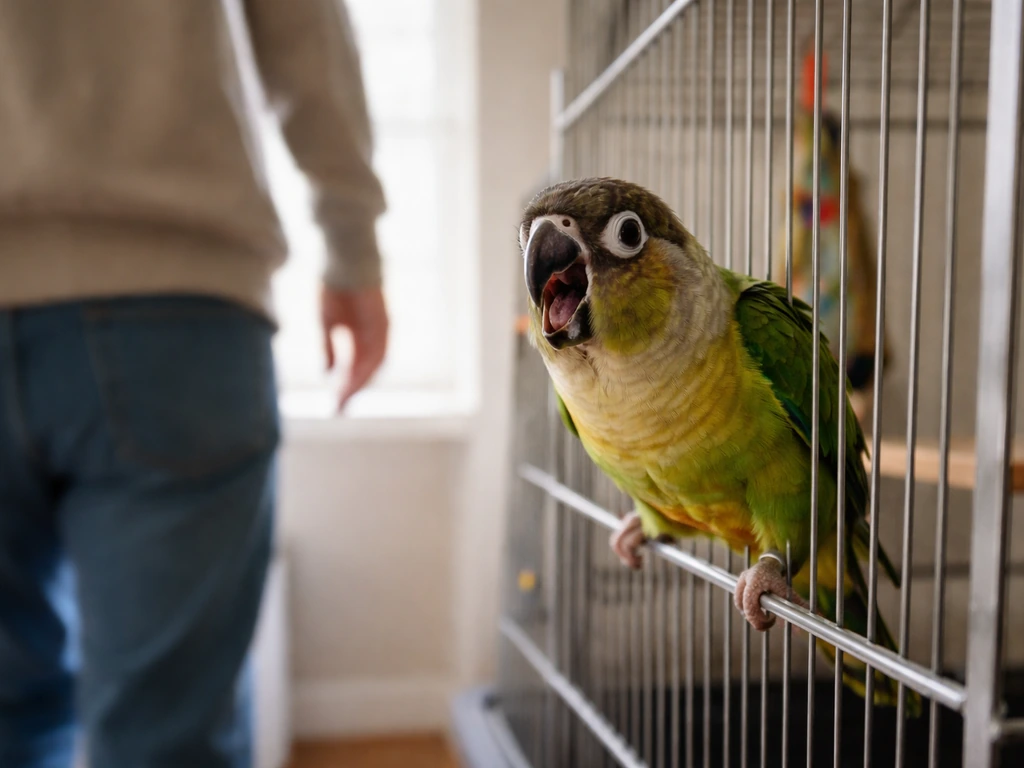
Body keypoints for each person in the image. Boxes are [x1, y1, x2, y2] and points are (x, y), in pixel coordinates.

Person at [0, 1, 388, 766]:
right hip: (177, 305)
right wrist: (353, 252)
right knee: (166, 742)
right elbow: (304, 30)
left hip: (181, 314)